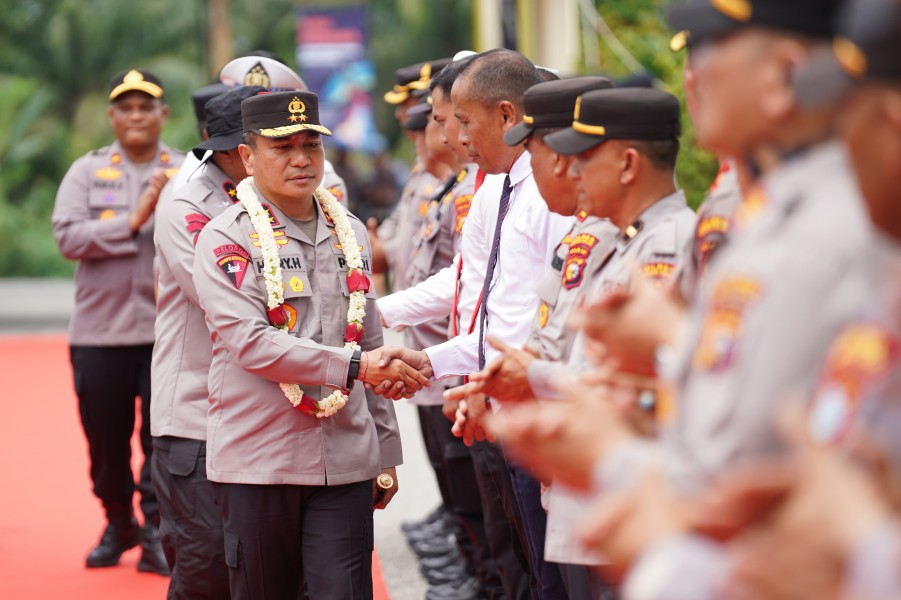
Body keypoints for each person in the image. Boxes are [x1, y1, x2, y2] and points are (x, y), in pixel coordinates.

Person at [191, 90, 426, 599]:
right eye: (282, 147)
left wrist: (385, 454)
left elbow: (371, 340)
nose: (301, 159)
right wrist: (356, 367)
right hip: (260, 463)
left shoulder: (351, 233)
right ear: (248, 157)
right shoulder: (225, 238)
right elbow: (252, 344)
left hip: (344, 461)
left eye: (310, 145)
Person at [379, 48, 574, 600]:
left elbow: (537, 322)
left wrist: (478, 382)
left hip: (534, 408)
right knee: (521, 557)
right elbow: (485, 301)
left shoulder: (547, 195)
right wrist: (434, 360)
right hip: (497, 396)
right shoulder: (497, 185)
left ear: (507, 115)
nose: (456, 138)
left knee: (548, 573)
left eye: (463, 122)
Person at [51, 68, 184, 574]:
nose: (136, 116)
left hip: (167, 334)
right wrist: (131, 221)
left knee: (162, 440)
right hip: (99, 334)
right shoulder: (86, 171)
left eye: (145, 107)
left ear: (163, 114)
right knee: (104, 440)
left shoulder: (185, 171)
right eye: (125, 107)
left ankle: (154, 529)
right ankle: (117, 520)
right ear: (111, 116)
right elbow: (67, 237)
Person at [151, 84, 265, 599]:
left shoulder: (271, 198)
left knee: (260, 567)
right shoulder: (188, 205)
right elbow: (226, 301)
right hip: (196, 418)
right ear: (232, 150)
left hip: (257, 414)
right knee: (206, 568)